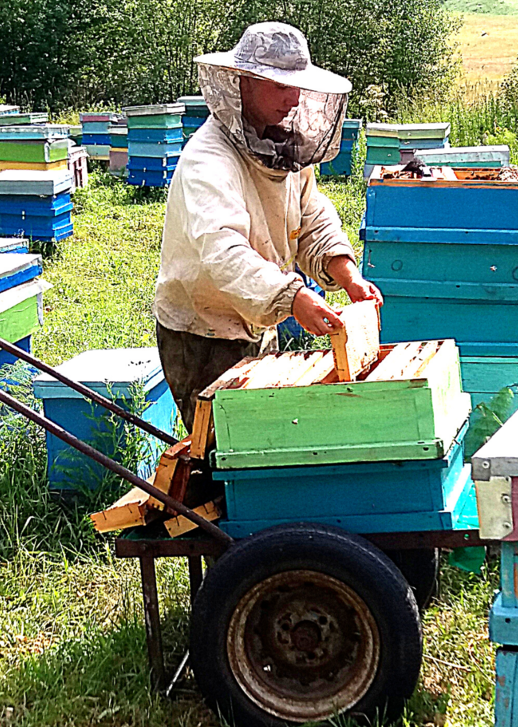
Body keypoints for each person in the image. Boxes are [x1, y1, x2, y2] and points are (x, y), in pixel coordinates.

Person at [153, 21, 382, 429]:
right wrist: (292, 298)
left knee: (261, 440)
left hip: (258, 317)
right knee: (223, 453)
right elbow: (224, 254)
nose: (292, 99)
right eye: (279, 86)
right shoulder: (208, 161)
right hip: (203, 332)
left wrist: (346, 274)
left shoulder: (280, 148)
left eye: (297, 86)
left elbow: (311, 215)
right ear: (243, 82)